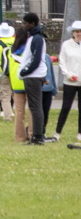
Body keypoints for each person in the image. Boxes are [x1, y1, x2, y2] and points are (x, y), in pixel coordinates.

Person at [13, 13, 50, 144]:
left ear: (32, 24)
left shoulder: (37, 38)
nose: (23, 25)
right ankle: (37, 135)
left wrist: (24, 71)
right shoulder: (33, 37)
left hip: (33, 76)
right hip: (33, 75)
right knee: (35, 106)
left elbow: (36, 59)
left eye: (25, 23)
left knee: (35, 107)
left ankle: (38, 136)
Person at [56, 20, 81, 145]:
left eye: (80, 31)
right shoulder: (66, 44)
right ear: (73, 32)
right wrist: (67, 74)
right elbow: (62, 60)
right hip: (70, 81)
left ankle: (80, 133)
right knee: (66, 107)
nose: (78, 34)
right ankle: (58, 132)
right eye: (76, 31)